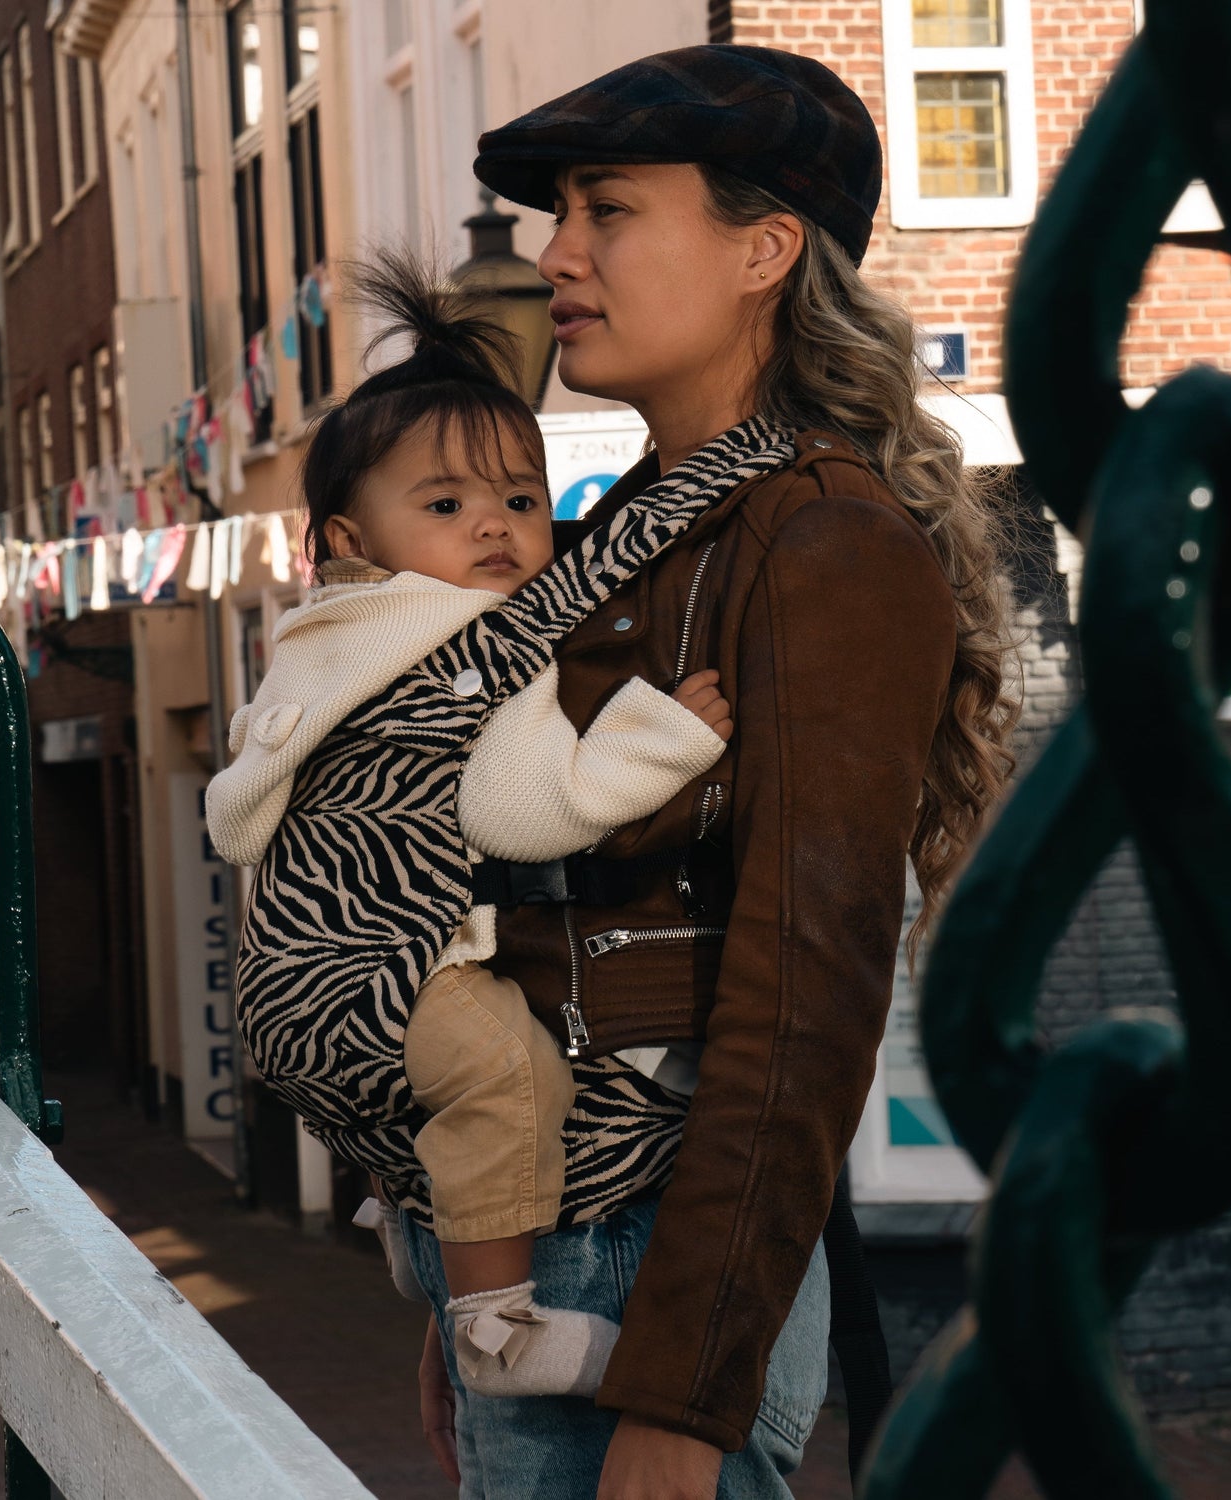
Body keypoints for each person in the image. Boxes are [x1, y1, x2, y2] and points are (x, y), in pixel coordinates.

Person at [405, 43, 1020, 1500]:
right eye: (562, 214)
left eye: (608, 210)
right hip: (554, 1253)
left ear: (765, 250)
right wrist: (474, 1280)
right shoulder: (632, 529)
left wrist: (683, 1399)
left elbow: (805, 997)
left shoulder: (821, 542)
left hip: (649, 1278)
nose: (557, 254)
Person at [205, 254, 741, 1400]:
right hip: (390, 978)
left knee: (446, 1104)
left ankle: (415, 1233)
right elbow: (516, 808)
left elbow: (239, 816)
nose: (495, 528)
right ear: (348, 536)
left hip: (289, 985)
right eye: (446, 506)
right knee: (513, 1076)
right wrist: (661, 739)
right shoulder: (472, 641)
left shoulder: (325, 640)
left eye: (521, 501)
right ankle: (498, 1331)